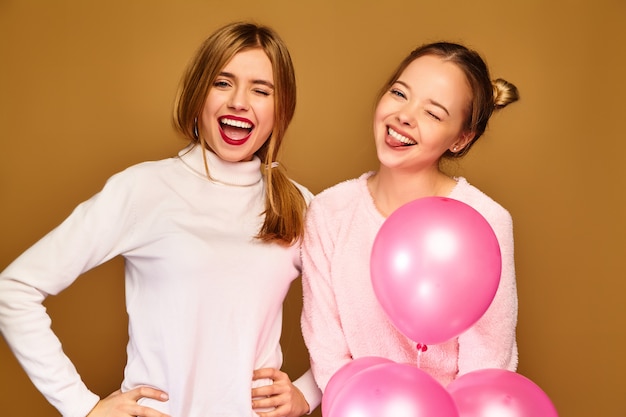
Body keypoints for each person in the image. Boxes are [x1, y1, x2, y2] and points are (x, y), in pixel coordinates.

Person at [0, 21, 321, 417]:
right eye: (223, 83)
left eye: (261, 90)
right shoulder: (143, 189)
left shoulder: (298, 206)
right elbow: (13, 289)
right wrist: (82, 407)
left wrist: (308, 392)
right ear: (197, 92)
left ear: (281, 107)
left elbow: (357, 320)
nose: (240, 101)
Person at [301, 41, 520, 392]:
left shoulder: (487, 221)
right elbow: (328, 356)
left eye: (433, 113)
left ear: (460, 139)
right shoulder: (329, 213)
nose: (405, 115)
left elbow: (487, 366)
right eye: (400, 93)